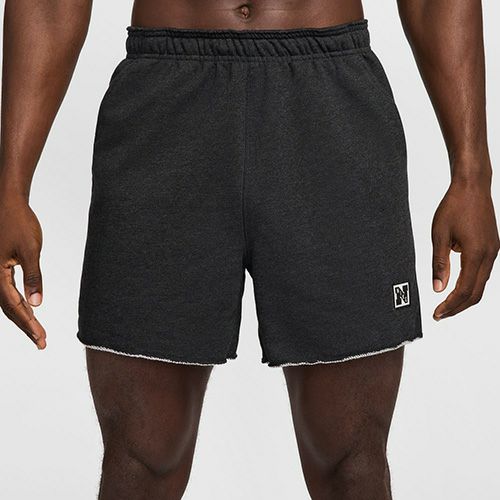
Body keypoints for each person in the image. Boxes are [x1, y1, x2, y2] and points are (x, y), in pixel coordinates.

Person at [0, 1, 498, 499]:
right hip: (165, 96)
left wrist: (472, 174)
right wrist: (10, 189)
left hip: (328, 96)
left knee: (353, 462)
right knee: (139, 460)